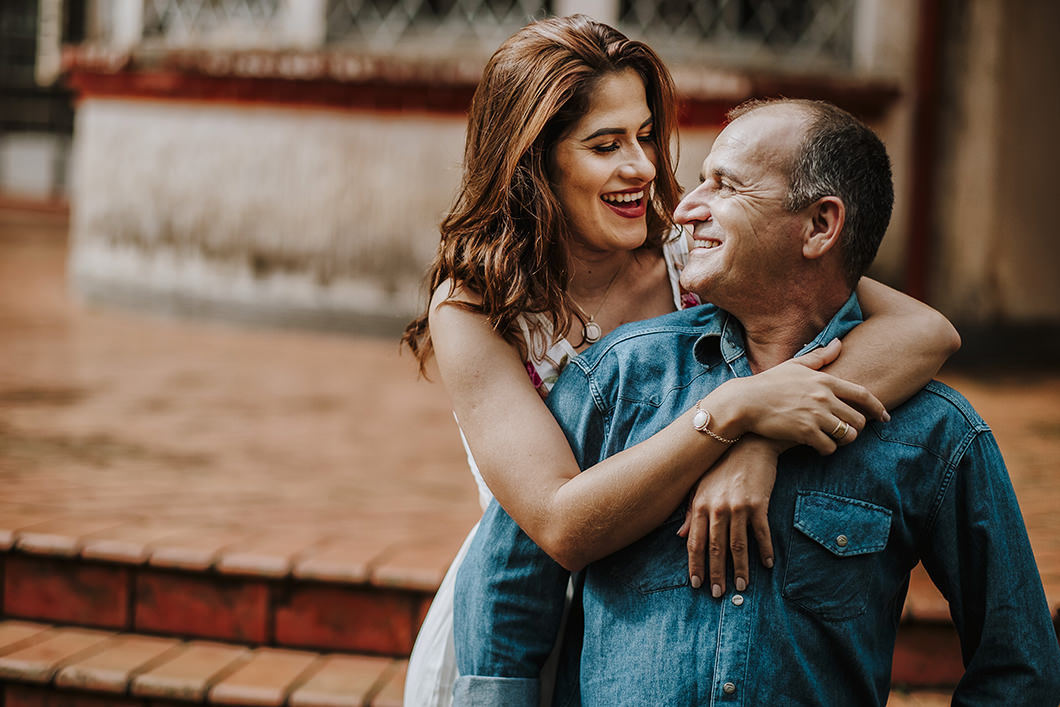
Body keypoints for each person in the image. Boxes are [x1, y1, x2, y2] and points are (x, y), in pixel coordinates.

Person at [402, 15, 961, 707]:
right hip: (522, 623)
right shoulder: (478, 304)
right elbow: (560, 523)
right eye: (606, 145)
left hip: (667, 609)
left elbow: (922, 330)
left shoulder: (687, 255)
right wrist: (730, 410)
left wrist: (761, 441)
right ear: (535, 161)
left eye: (644, 134)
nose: (640, 166)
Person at [454, 98, 1060, 705]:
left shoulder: (934, 434)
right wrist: (731, 421)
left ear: (821, 226)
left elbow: (1019, 665)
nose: (685, 208)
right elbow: (509, 590)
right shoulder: (620, 375)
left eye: (726, 186)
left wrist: (762, 443)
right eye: (699, 180)